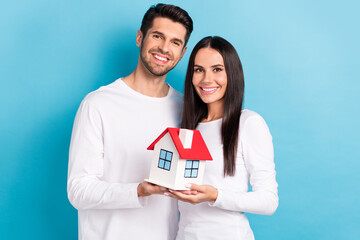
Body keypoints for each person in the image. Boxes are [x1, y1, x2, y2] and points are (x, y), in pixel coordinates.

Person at [67, 4, 193, 240]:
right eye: (158, 36)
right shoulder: (98, 104)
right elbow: (78, 190)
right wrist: (137, 190)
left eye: (175, 42)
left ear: (183, 52)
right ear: (140, 37)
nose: (164, 48)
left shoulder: (187, 110)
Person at [165, 36, 279, 240]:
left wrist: (215, 196)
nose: (206, 79)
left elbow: (268, 201)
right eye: (199, 70)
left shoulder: (248, 123)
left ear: (232, 74)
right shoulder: (188, 128)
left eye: (217, 69)